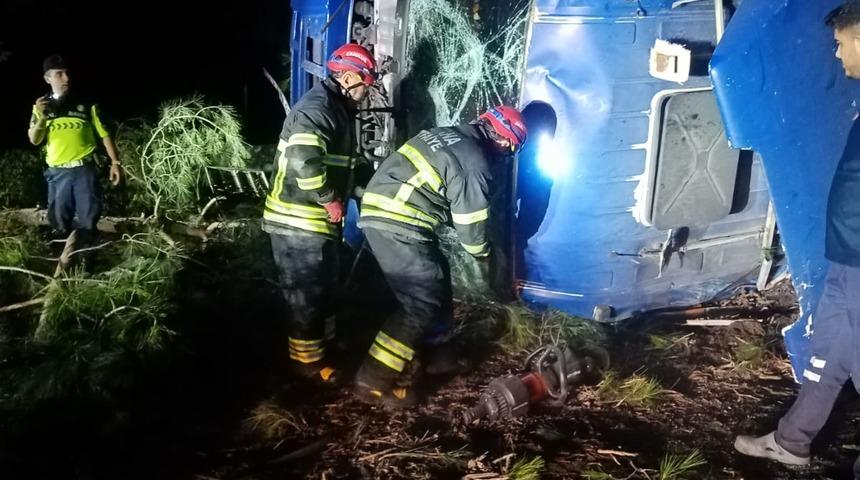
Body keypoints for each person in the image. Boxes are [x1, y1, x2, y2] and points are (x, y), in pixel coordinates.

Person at [734, 2, 860, 474]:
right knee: (827, 352)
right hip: (846, 259)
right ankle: (792, 441)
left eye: (839, 43)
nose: (836, 54)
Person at [352, 105, 528, 408]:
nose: (506, 156)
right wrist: (486, 257)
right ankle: (373, 381)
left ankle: (441, 357)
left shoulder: (448, 134)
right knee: (420, 303)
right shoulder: (475, 163)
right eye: (510, 150)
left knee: (438, 277)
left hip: (385, 210)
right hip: (399, 221)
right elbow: (471, 228)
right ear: (503, 140)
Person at [262, 43, 379, 384]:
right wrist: (330, 199)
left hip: (316, 225)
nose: (367, 91)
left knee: (326, 289)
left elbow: (346, 163)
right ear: (345, 77)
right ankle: (306, 365)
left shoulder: (337, 108)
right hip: (296, 222)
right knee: (306, 295)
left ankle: (325, 348)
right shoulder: (318, 109)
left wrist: (369, 189)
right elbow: (303, 160)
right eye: (364, 83)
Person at [27, 55, 121, 245]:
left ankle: (87, 264)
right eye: (59, 74)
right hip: (57, 172)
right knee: (60, 223)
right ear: (48, 79)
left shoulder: (87, 104)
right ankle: (62, 267)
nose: (66, 79)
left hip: (84, 171)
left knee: (88, 222)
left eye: (67, 73)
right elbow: (34, 140)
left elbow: (104, 135)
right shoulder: (41, 107)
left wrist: (115, 163)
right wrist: (43, 117)